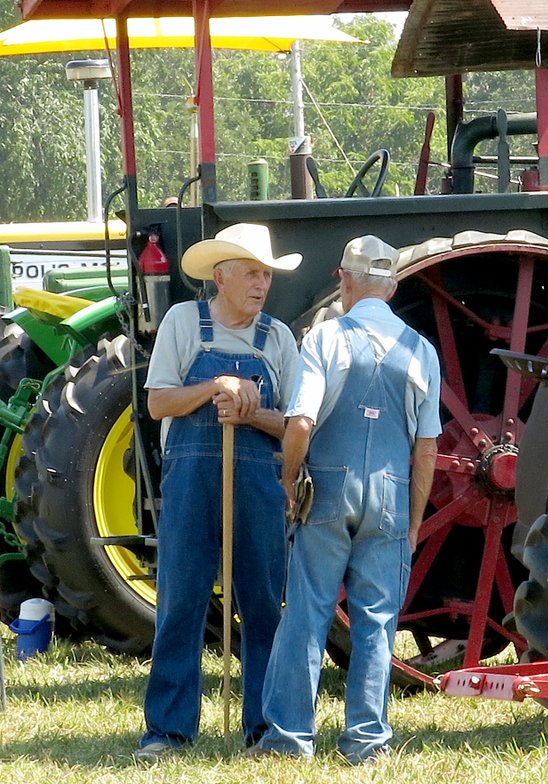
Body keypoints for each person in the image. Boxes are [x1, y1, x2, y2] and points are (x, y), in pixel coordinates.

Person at [249, 234, 441, 764]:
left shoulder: (325, 338)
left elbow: (300, 423)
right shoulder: (421, 349)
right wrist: (414, 521)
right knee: (377, 620)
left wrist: (290, 480)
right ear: (395, 286)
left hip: (328, 491)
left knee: (307, 612)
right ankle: (367, 741)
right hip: (390, 496)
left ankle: (289, 738)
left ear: (345, 279)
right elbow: (426, 450)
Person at [135, 222, 302, 761]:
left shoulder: (279, 338)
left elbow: (297, 425)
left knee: (263, 604)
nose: (262, 283)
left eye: (266, 274)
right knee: (180, 600)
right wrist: (216, 387)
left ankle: (266, 729)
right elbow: (158, 404)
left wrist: (256, 414)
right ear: (220, 276)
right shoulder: (184, 323)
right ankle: (168, 731)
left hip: (258, 479)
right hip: (190, 480)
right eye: (252, 272)